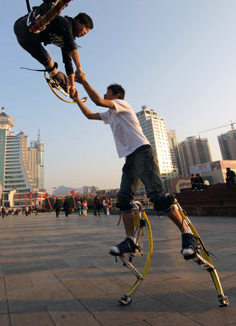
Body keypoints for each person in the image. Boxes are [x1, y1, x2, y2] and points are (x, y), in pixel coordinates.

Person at [72, 74, 199, 259]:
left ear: (116, 95)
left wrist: (83, 81)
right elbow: (90, 115)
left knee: (156, 196)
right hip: (130, 158)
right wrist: (76, 99)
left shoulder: (124, 105)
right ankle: (131, 240)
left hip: (143, 152)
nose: (104, 95)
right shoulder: (110, 114)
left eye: (107, 92)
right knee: (123, 199)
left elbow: (98, 102)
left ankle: (187, 233)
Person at [14, 12, 93, 96]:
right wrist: (79, 68)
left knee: (52, 68)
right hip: (23, 26)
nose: (85, 33)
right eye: (85, 29)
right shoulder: (66, 23)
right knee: (40, 25)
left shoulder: (66, 39)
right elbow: (73, 48)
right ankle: (40, 16)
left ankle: (66, 85)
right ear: (78, 21)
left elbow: (68, 62)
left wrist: (72, 86)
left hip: (27, 41)